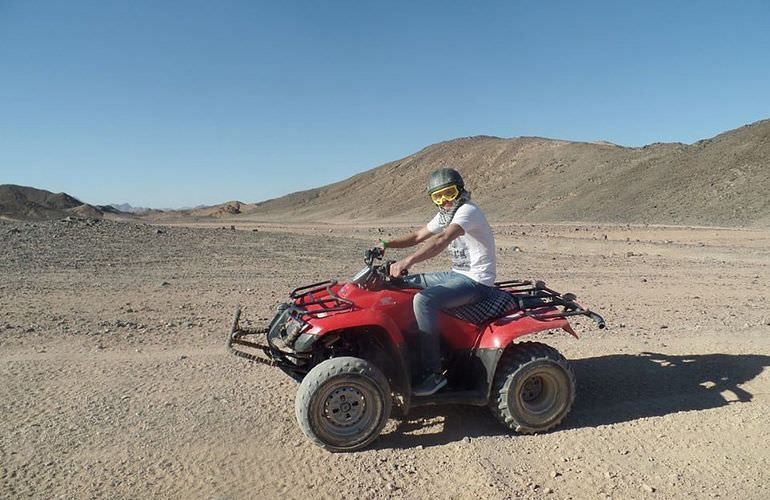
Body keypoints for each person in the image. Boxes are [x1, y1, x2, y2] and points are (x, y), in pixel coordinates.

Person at [381, 167, 496, 396]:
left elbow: (443, 238)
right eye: (438, 196)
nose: (444, 201)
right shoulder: (446, 214)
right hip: (457, 275)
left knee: (424, 301)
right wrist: (385, 244)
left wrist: (409, 260)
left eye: (449, 194)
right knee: (406, 283)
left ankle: (433, 374)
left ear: (460, 192)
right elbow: (416, 237)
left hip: (477, 282)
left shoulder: (467, 211)